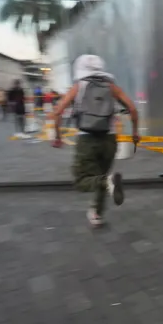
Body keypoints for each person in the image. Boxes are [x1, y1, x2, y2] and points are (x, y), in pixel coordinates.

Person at [53, 55, 139, 228]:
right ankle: (97, 214)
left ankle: (106, 186)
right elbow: (132, 108)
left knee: (82, 180)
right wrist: (135, 132)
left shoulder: (79, 86)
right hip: (109, 139)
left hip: (87, 139)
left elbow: (58, 111)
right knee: (103, 175)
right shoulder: (112, 87)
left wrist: (58, 136)